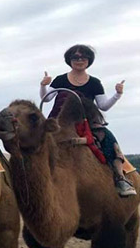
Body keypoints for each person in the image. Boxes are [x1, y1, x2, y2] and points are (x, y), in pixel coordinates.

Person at [40, 44, 135, 197]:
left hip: (86, 121)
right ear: (69, 60)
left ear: (89, 60)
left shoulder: (94, 83)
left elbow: (103, 106)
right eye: (75, 57)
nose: (79, 60)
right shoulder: (60, 79)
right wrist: (43, 86)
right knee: (33, 141)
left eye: (83, 57)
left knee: (109, 139)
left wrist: (117, 94)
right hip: (58, 120)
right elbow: (46, 98)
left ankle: (120, 178)